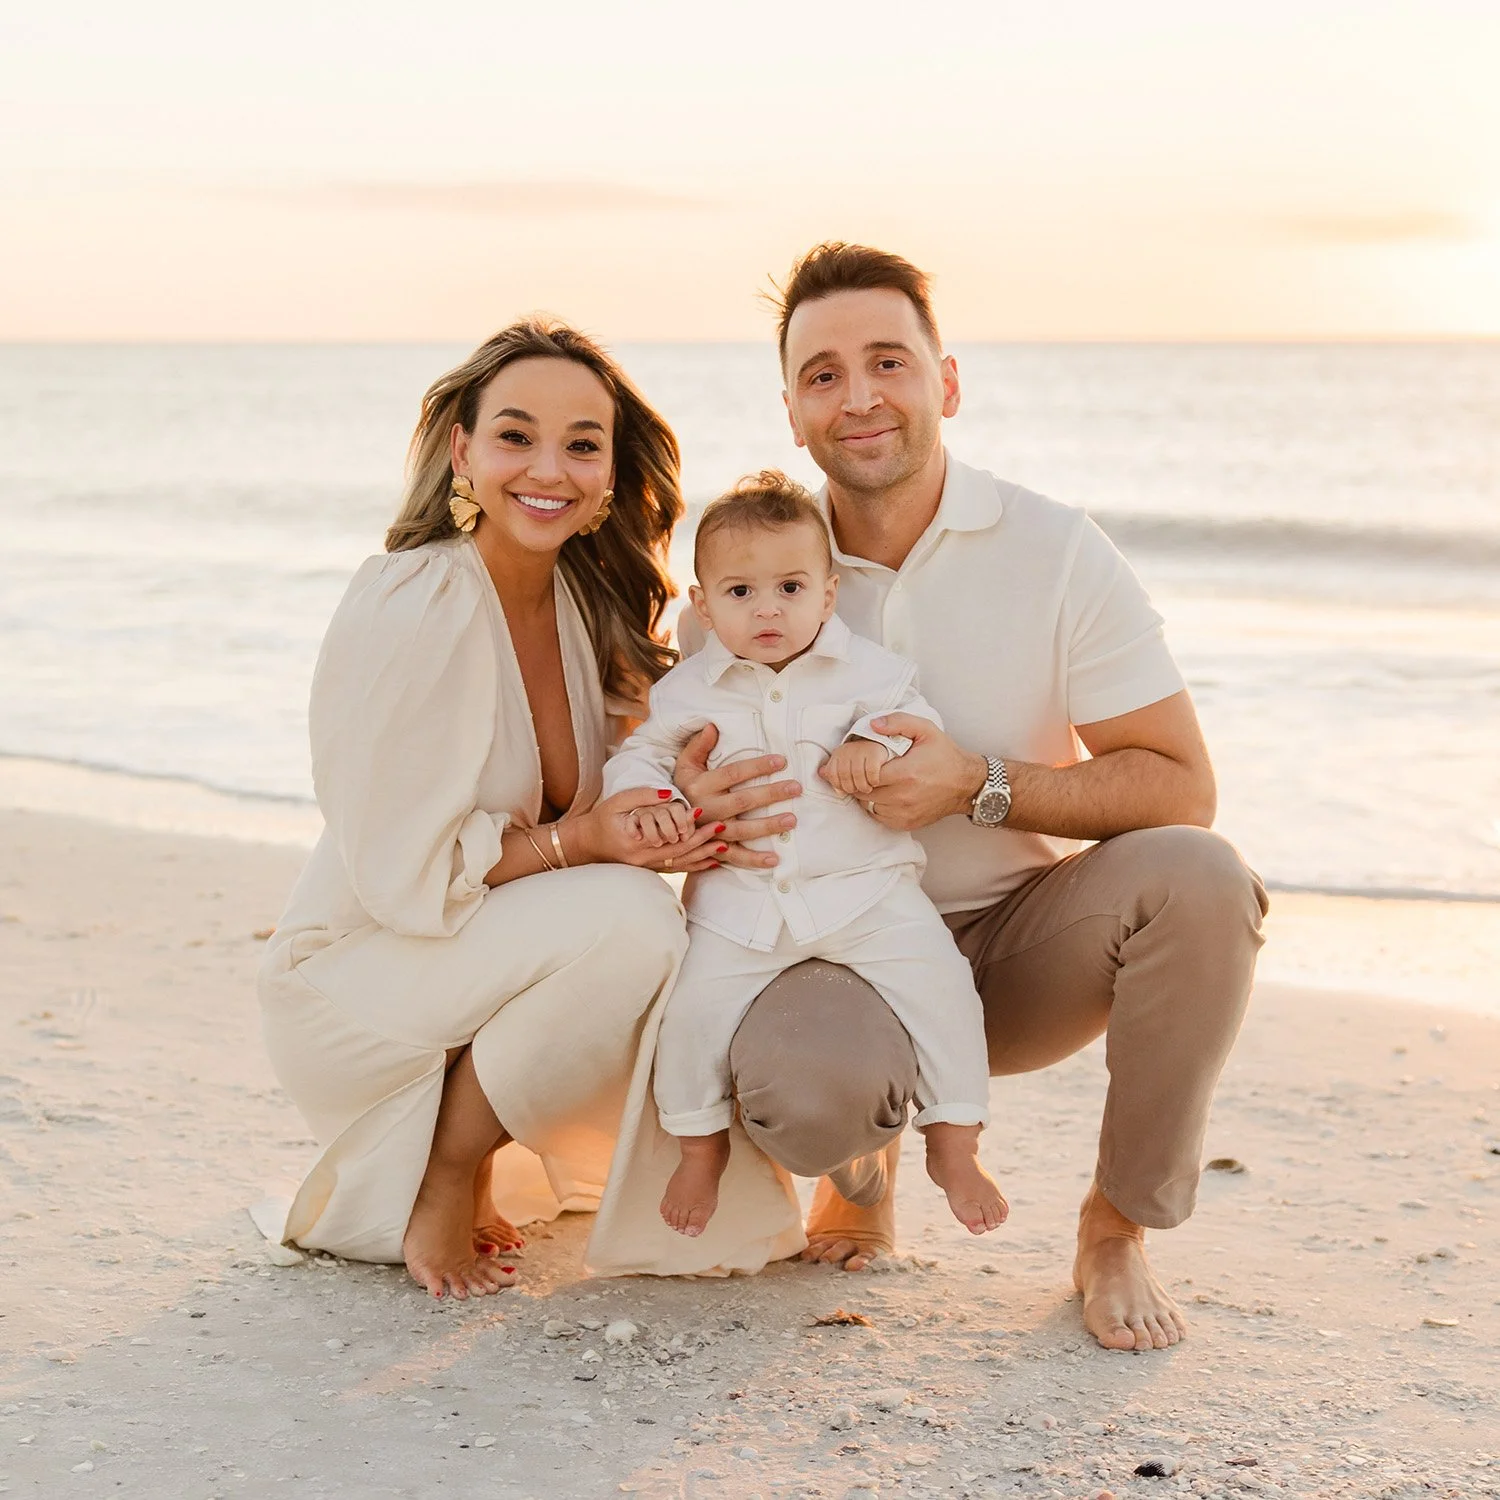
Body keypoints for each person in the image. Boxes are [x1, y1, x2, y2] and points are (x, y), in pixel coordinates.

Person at [669, 244, 1269, 1353]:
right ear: (792, 413)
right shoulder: (747, 573)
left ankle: (1115, 1229)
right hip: (819, 948)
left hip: (1016, 948)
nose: (859, 397)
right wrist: (696, 803)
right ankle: (858, 1173)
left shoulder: (1056, 551)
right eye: (823, 375)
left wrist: (976, 786)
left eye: (888, 362)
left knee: (1202, 877)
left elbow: (1182, 785)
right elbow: (664, 786)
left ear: (946, 382)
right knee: (807, 1100)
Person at [257, 318, 724, 1301]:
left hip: (461, 973)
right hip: (355, 984)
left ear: (609, 473)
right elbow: (411, 881)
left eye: (582, 444)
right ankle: (446, 1171)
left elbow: (631, 791)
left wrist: (688, 795)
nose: (549, 468)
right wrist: (583, 840)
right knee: (634, 920)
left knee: (699, 935)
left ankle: (478, 1144)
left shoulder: (585, 607)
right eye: (516, 436)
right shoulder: (415, 600)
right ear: (462, 449)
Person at [600, 472, 1006, 1245]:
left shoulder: (872, 674)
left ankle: (955, 1142)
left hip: (868, 895)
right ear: (704, 605)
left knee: (944, 988)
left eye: (790, 587)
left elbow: (914, 724)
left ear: (827, 595)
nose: (768, 609)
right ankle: (699, 1150)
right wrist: (648, 796)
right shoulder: (689, 691)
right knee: (688, 1018)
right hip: (740, 908)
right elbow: (644, 754)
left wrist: (873, 743)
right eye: (741, 592)